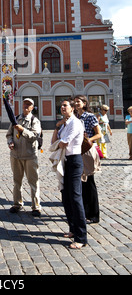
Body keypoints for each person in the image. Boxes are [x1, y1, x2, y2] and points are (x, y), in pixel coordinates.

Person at [52, 99, 87, 249]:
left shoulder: (75, 123)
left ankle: (81, 237)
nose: (62, 108)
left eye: (65, 105)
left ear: (72, 108)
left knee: (75, 197)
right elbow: (54, 141)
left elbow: (63, 143)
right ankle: (72, 228)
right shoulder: (65, 124)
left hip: (74, 160)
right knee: (66, 196)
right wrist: (56, 127)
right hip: (65, 160)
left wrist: (59, 142)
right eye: (61, 106)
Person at [6, 98, 42, 216]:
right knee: (17, 181)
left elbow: (34, 136)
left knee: (33, 181)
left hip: (30, 155)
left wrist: (22, 130)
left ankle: (36, 206)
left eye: (29, 104)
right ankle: (17, 203)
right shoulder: (16, 119)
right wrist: (10, 142)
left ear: (32, 107)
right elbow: (9, 134)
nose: (26, 106)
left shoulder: (34, 121)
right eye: (25, 104)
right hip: (15, 155)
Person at [74, 95, 101, 224]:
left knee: (89, 182)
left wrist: (88, 140)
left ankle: (94, 214)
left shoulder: (90, 116)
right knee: (81, 183)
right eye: (75, 102)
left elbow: (99, 134)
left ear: (85, 103)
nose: (76, 104)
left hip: (87, 150)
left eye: (79, 102)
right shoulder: (76, 117)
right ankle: (84, 211)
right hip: (78, 151)